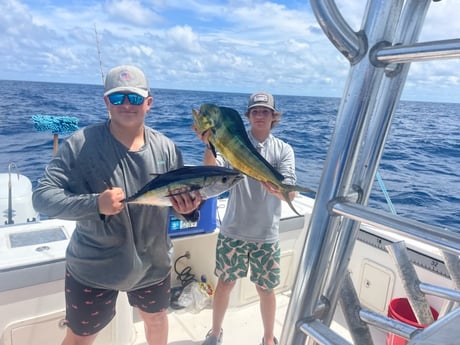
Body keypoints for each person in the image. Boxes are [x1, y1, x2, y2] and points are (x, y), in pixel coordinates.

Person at [32, 65, 202, 345]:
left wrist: (187, 210)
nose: (126, 104)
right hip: (93, 270)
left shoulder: (168, 148)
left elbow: (177, 203)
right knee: (80, 337)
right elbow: (42, 197)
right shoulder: (79, 144)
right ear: (105, 102)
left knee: (157, 320)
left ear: (149, 103)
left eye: (134, 98)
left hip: (153, 265)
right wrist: (95, 204)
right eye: (117, 97)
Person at [195, 92, 297, 345]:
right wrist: (209, 144)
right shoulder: (233, 142)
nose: (260, 115)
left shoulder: (283, 150)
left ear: (274, 116)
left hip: (266, 234)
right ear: (248, 116)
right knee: (225, 284)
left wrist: (282, 191)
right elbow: (213, 171)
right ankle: (215, 333)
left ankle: (269, 338)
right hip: (233, 230)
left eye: (265, 111)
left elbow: (290, 192)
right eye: (255, 111)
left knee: (266, 290)